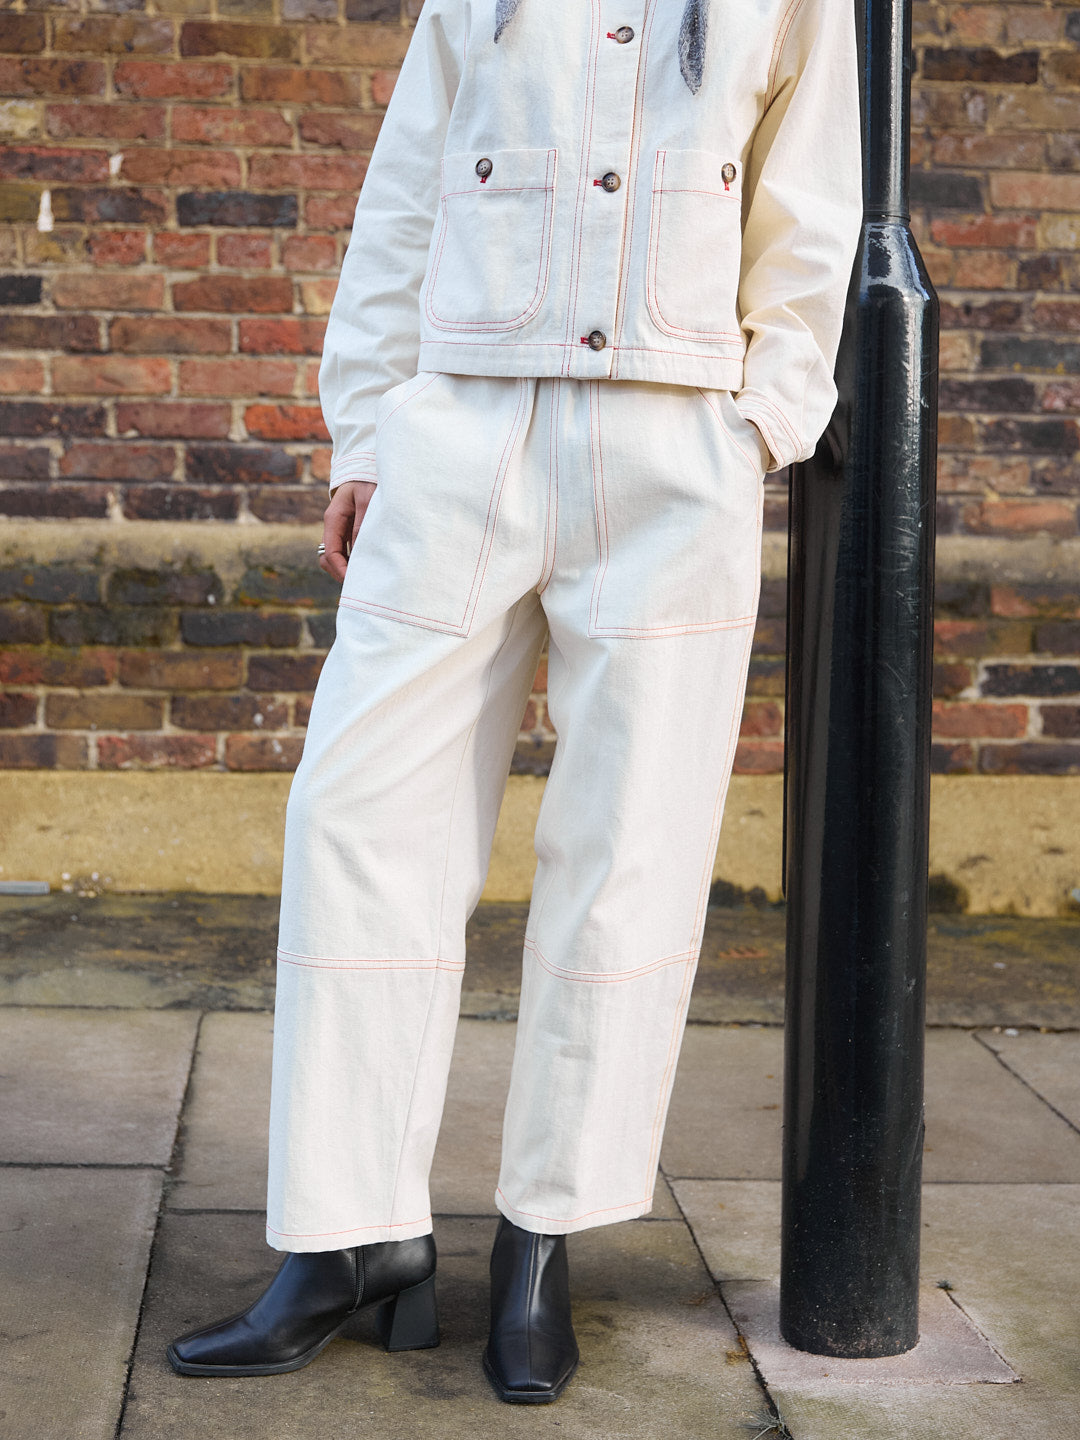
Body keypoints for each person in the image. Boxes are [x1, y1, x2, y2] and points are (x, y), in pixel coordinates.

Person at [167, 0, 862, 1404]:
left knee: (625, 851)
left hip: (672, 448)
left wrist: (758, 426)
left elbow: (811, 205)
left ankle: (544, 1240)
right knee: (354, 818)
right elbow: (406, 190)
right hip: (461, 434)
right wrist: (368, 435)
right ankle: (352, 1238)